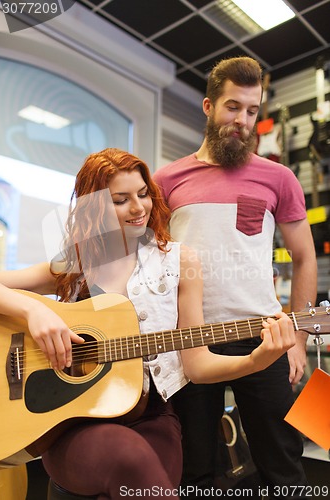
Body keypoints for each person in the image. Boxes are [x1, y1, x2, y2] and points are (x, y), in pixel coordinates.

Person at [0, 148, 295, 499]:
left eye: (143, 194)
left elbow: (196, 365)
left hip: (151, 416)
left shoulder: (179, 261)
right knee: (131, 459)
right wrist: (35, 312)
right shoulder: (75, 264)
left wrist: (255, 360)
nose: (139, 208)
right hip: (71, 424)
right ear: (93, 207)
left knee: (147, 471)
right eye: (121, 200)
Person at [153, 57, 317, 500]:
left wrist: (297, 338)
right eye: (232, 107)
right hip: (188, 341)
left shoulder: (279, 178)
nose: (242, 121)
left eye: (251, 110)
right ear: (208, 106)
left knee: (284, 462)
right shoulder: (166, 179)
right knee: (194, 469)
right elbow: (150, 264)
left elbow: (304, 258)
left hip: (263, 334)